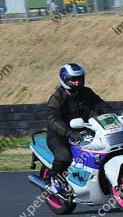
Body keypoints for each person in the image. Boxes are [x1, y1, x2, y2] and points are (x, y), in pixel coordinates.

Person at [45, 63, 114, 192]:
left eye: (79, 79)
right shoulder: (57, 98)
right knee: (64, 156)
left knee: (103, 148)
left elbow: (100, 105)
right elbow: (53, 120)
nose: (77, 83)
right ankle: (52, 180)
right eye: (73, 80)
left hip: (83, 129)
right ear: (65, 80)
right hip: (59, 135)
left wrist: (110, 115)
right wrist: (69, 133)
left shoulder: (86, 92)